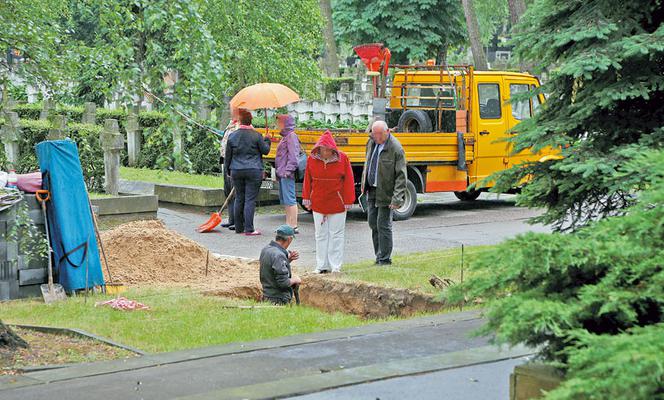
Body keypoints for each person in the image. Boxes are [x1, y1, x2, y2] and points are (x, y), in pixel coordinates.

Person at [302, 130, 355, 273]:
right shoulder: (311, 160)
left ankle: (335, 266)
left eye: (327, 149)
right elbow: (307, 180)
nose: (325, 152)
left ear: (332, 149)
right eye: (322, 149)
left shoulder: (343, 159)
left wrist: (349, 200)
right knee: (320, 235)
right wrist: (306, 198)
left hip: (337, 203)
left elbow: (349, 180)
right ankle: (321, 265)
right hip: (318, 202)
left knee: (336, 235)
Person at [360, 120, 407, 265]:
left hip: (386, 192)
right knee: (373, 223)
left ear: (388, 131)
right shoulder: (371, 143)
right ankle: (379, 255)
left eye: (380, 134)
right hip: (371, 189)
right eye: (375, 134)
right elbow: (367, 164)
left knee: (383, 225)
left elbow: (401, 176)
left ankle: (385, 259)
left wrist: (397, 198)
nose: (377, 137)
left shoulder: (396, 148)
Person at [224, 109, 271, 236]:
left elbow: (228, 156)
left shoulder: (232, 136)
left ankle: (239, 228)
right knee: (250, 199)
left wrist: (229, 171)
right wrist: (267, 140)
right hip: (253, 170)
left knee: (239, 198)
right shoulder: (256, 135)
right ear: (251, 121)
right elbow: (265, 151)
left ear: (239, 121)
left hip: (236, 171)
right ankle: (249, 229)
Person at [259, 225, 302, 305]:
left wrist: (287, 260)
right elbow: (283, 282)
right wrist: (295, 280)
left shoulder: (266, 249)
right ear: (289, 239)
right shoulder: (279, 255)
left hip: (267, 296)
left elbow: (271, 268)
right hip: (278, 299)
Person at [275, 114, 301, 233]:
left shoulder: (291, 136)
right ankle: (288, 224)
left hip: (286, 173)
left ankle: (293, 225)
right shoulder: (285, 137)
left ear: (285, 123)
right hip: (282, 172)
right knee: (286, 200)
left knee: (290, 199)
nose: (277, 125)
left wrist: (287, 171)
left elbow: (294, 156)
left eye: (279, 122)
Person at [219, 107, 240, 230]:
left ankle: (236, 221)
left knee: (235, 192)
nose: (231, 113)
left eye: (234, 111)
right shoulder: (230, 124)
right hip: (225, 160)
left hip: (233, 162)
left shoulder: (239, 126)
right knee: (227, 191)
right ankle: (231, 219)